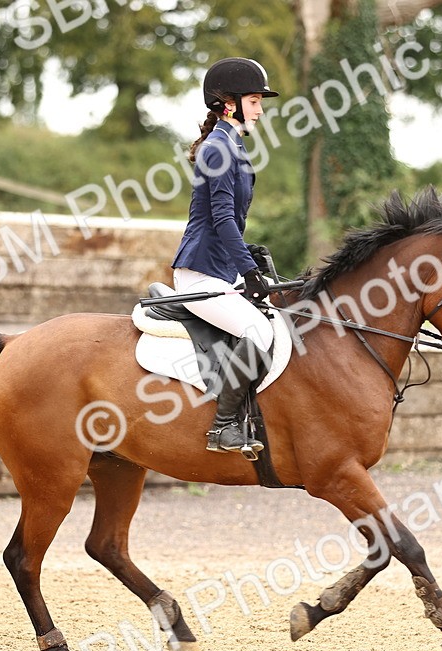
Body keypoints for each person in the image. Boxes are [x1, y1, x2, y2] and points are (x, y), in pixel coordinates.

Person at [171, 57, 280, 454]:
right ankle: (223, 427)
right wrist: (248, 270)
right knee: (258, 332)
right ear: (229, 103)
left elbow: (230, 219)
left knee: (277, 319)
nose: (261, 109)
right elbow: (220, 220)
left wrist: (250, 255)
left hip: (219, 268)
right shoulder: (218, 148)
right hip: (200, 272)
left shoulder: (230, 144)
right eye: (254, 100)